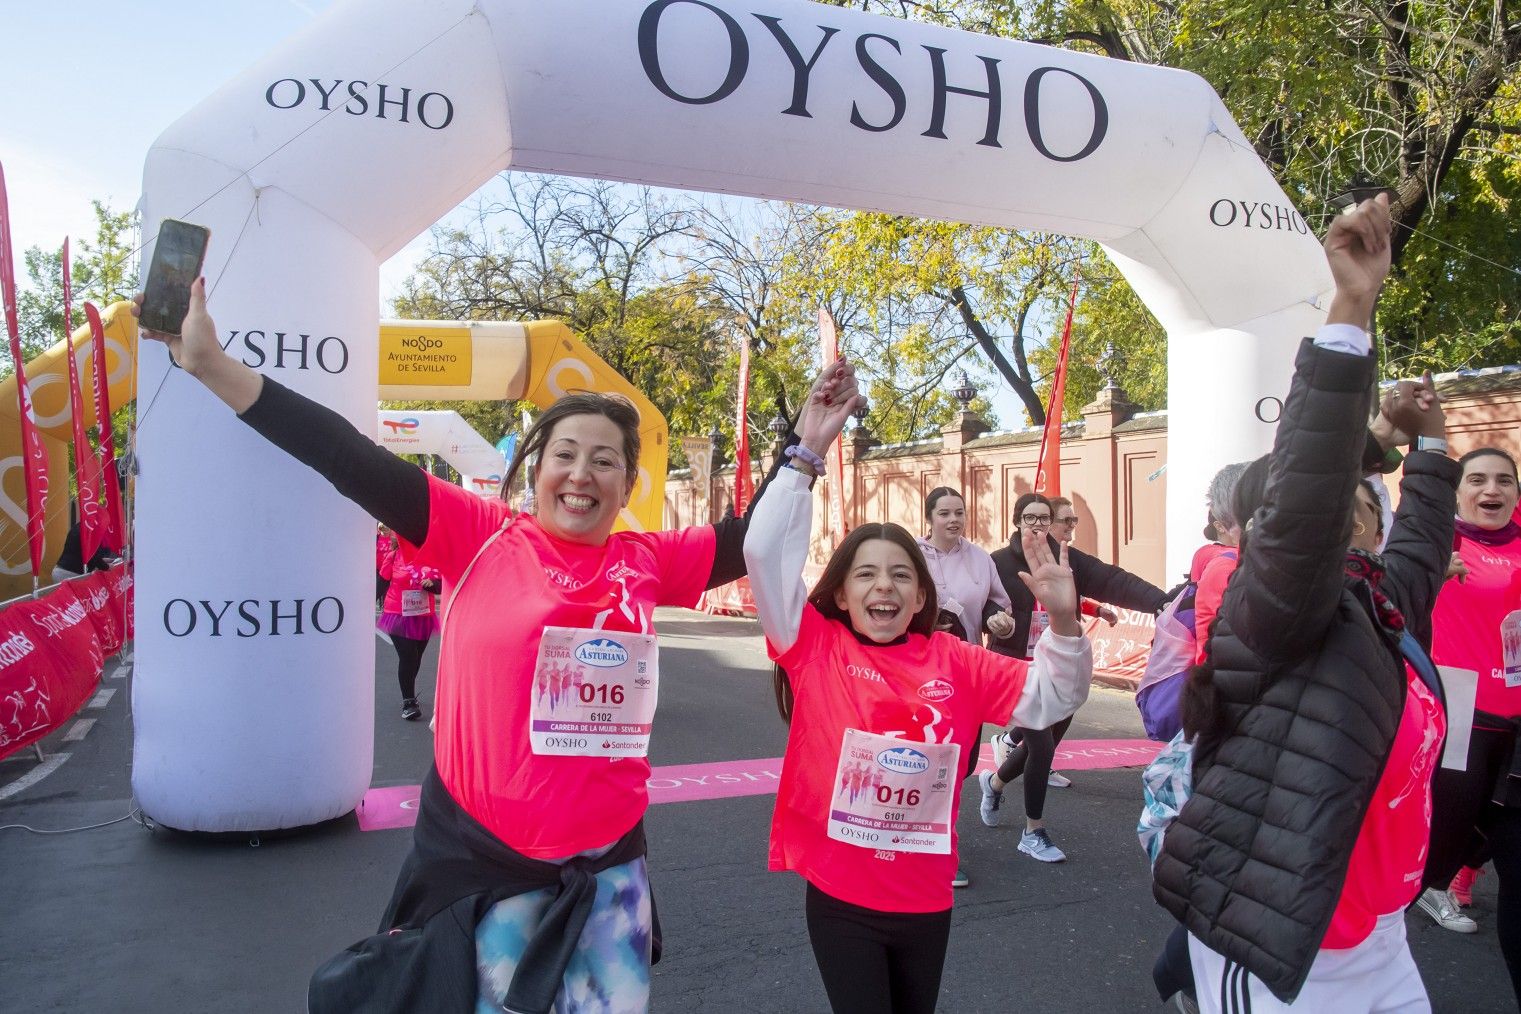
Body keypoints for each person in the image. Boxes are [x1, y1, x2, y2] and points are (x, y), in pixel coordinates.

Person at [134, 277, 798, 1014]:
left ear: (627, 481)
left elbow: (755, 539)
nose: (581, 475)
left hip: (608, 874)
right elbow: (345, 455)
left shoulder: (645, 559)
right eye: (564, 454)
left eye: (604, 460)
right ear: (534, 469)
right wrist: (211, 365)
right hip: (486, 870)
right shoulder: (477, 536)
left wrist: (806, 449)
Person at [1153, 193, 1459, 1011]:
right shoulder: (1271, 611)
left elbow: (1425, 544)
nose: (1357, 495)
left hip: (1379, 935)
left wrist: (1426, 440)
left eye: (1364, 489)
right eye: (1338, 491)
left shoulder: (1376, 601)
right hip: (1282, 944)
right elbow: (1306, 493)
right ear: (1266, 531)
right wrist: (1350, 306)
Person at [744, 373, 1093, 1014]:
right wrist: (803, 456)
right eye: (866, 574)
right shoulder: (815, 645)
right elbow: (764, 553)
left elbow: (1051, 697)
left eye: (902, 574)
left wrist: (1066, 622)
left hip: (927, 898)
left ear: (922, 595)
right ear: (842, 593)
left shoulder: (955, 660)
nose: (885, 586)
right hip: (841, 897)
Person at [981, 492, 1169, 862]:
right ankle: (1033, 831)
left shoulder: (1067, 558)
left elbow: (1113, 580)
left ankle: (995, 781)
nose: (1037, 524)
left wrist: (1162, 601)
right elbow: (983, 598)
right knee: (1042, 747)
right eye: (1030, 517)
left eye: (1044, 518)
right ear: (1017, 520)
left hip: (1061, 663)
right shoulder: (998, 562)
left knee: (1045, 742)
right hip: (1019, 667)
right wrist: (993, 617)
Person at [1422, 447, 1521, 990]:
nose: (1493, 490)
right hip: (1459, 714)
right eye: (1478, 480)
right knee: (1430, 853)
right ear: (1457, 493)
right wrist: (1431, 574)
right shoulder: (1437, 546)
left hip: (1517, 728)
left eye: (1505, 481)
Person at [914, 485, 1016, 889]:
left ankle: (937, 835)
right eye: (944, 513)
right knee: (926, 757)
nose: (953, 520)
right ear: (930, 518)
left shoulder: (980, 558)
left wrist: (997, 619)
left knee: (961, 763)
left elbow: (996, 601)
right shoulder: (912, 555)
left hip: (966, 670)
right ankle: (933, 845)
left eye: (959, 512)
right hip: (920, 672)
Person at [375, 525, 442, 721]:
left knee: (417, 658)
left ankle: (409, 692)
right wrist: (359, 608)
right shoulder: (394, 557)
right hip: (397, 614)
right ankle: (408, 701)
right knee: (408, 657)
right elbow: (381, 584)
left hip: (423, 615)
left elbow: (440, 585)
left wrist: (433, 585)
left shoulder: (429, 557)